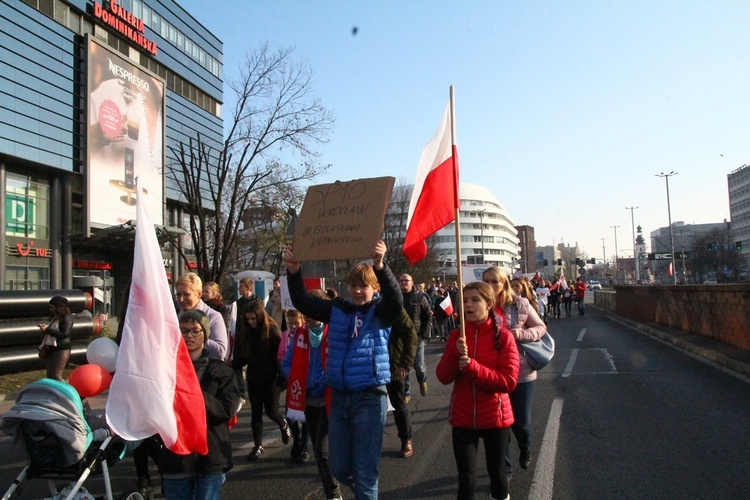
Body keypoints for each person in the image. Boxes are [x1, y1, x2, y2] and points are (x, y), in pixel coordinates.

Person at [283, 240, 403, 499]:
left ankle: (365, 489)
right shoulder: (338, 310)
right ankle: (362, 487)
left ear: (375, 288)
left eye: (364, 286)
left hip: (370, 398)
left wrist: (381, 266)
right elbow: (303, 302)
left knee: (365, 471)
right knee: (337, 466)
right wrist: (294, 271)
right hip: (338, 398)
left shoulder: (381, 312)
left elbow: (396, 300)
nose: (358, 291)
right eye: (354, 285)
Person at [436, 281, 519, 500]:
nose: (468, 305)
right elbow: (443, 377)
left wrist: (474, 369)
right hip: (463, 419)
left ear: (489, 304)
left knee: (498, 476)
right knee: (466, 480)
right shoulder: (456, 336)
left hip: (495, 418)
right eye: (464, 301)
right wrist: (455, 354)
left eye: (475, 300)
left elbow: (508, 381)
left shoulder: (504, 337)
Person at [159, 309, 241, 500]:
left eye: (195, 330)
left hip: (209, 456)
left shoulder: (220, 370)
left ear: (205, 335)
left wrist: (194, 394)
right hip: (176, 457)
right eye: (184, 330)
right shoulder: (166, 369)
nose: (189, 335)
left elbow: (226, 410)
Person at [483, 266, 546, 481]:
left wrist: (519, 334)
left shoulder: (520, 303)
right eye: (487, 281)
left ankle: (525, 447)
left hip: (521, 373)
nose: (491, 286)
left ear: (504, 283)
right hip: (493, 373)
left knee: (520, 423)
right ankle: (505, 472)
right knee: (500, 425)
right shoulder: (481, 305)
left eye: (495, 281)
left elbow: (540, 328)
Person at [282, 289, 341, 500]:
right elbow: (287, 363)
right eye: (304, 310)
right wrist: (298, 378)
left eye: (311, 309)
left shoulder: (334, 331)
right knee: (319, 450)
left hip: (330, 399)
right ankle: (332, 490)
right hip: (308, 400)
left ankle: (334, 492)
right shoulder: (299, 334)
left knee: (323, 450)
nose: (306, 315)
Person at [233, 300, 291, 460]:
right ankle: (257, 445)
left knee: (272, 411)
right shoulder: (246, 332)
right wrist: (232, 363)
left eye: (253, 319)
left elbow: (280, 357)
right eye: (248, 319)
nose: (251, 322)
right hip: (254, 377)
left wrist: (282, 379)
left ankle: (283, 424)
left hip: (271, 377)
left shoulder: (272, 332)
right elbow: (244, 356)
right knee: (256, 413)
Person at [278, 309, 309, 463]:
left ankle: (304, 446)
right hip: (292, 380)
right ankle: (297, 438)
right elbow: (282, 355)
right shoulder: (286, 336)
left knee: (306, 416)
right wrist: (289, 372)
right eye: (290, 323)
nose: (293, 326)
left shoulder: (306, 334)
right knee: (290, 414)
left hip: (306, 379)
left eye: (296, 323)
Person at [386, 308, 418, 458]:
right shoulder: (360, 308)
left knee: (398, 403)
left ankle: (406, 439)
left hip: (393, 365)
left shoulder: (393, 307)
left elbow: (411, 334)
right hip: (369, 367)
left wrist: (405, 364)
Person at [175, 273, 228, 360]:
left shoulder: (213, 316)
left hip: (207, 370)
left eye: (186, 294)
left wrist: (200, 337)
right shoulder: (177, 317)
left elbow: (221, 351)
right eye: (178, 295)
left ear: (199, 294)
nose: (181, 299)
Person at [399, 273, 432, 401]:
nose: (403, 283)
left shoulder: (420, 297)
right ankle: (406, 392)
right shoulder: (397, 297)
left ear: (412, 282)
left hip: (417, 338)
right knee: (404, 367)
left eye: (406, 281)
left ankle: (422, 380)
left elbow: (428, 316)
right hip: (401, 338)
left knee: (419, 365)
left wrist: (423, 334)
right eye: (401, 281)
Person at [38, 296, 73, 381]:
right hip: (53, 348)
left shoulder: (66, 318)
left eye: (53, 307)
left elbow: (64, 334)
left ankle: (67, 392)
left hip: (62, 348)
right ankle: (52, 392)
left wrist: (47, 329)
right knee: (50, 375)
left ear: (59, 307)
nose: (51, 309)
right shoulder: (55, 317)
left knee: (56, 375)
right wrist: (45, 330)